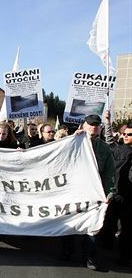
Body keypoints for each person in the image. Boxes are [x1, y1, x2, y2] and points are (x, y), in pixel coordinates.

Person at [60, 114, 115, 272]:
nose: (93, 127)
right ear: (83, 126)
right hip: (71, 192)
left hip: (94, 195)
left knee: (92, 229)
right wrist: (71, 139)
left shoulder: (104, 149)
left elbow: (109, 173)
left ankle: (90, 258)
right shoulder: (72, 143)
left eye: (96, 124)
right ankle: (67, 250)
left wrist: (109, 193)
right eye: (90, 124)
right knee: (69, 222)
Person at [100, 111, 132, 266]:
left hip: (125, 195)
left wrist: (107, 122)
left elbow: (109, 139)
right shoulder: (118, 149)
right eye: (124, 134)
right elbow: (109, 139)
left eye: (129, 134)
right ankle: (116, 252)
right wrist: (107, 121)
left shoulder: (119, 150)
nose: (125, 136)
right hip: (117, 193)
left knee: (123, 227)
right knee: (113, 223)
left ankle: (118, 253)